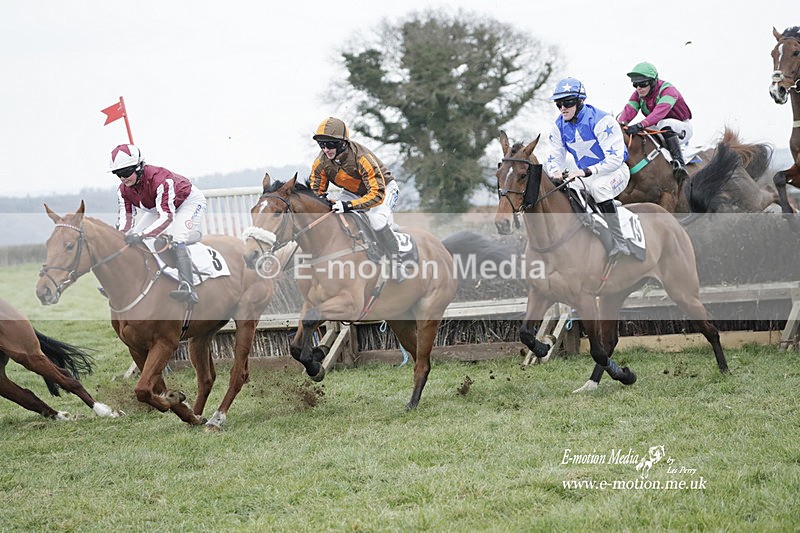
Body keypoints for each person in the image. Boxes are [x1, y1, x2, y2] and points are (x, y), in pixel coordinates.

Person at [309, 117, 407, 281]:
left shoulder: (362, 158)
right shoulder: (321, 162)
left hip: (384, 189)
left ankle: (397, 263)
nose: (326, 149)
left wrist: (349, 205)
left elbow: (376, 194)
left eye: (330, 144)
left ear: (343, 143)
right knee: (332, 216)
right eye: (322, 144)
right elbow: (316, 193)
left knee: (376, 219)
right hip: (353, 191)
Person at [544, 77, 631, 259]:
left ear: (579, 101)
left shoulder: (602, 120)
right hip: (586, 175)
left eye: (567, 102)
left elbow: (615, 159)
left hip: (615, 171)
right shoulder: (558, 126)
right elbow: (553, 156)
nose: (562, 108)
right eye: (558, 104)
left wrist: (585, 172)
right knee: (565, 190)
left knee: (599, 188)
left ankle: (620, 242)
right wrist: (555, 172)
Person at [109, 144, 207, 304]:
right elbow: (125, 221)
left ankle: (188, 287)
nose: (123, 178)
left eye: (126, 172)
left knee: (177, 239)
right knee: (129, 240)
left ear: (139, 167)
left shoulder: (161, 180)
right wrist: (120, 237)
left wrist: (142, 234)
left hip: (188, 202)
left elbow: (166, 216)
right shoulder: (122, 190)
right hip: (157, 207)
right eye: (118, 174)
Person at [618, 61, 693, 182]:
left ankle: (679, 164)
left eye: (642, 84)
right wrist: (620, 125)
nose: (638, 88)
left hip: (680, 127)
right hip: (657, 127)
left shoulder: (668, 91)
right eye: (635, 84)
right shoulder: (638, 94)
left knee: (664, 124)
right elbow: (629, 110)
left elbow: (659, 113)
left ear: (653, 81)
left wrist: (640, 125)